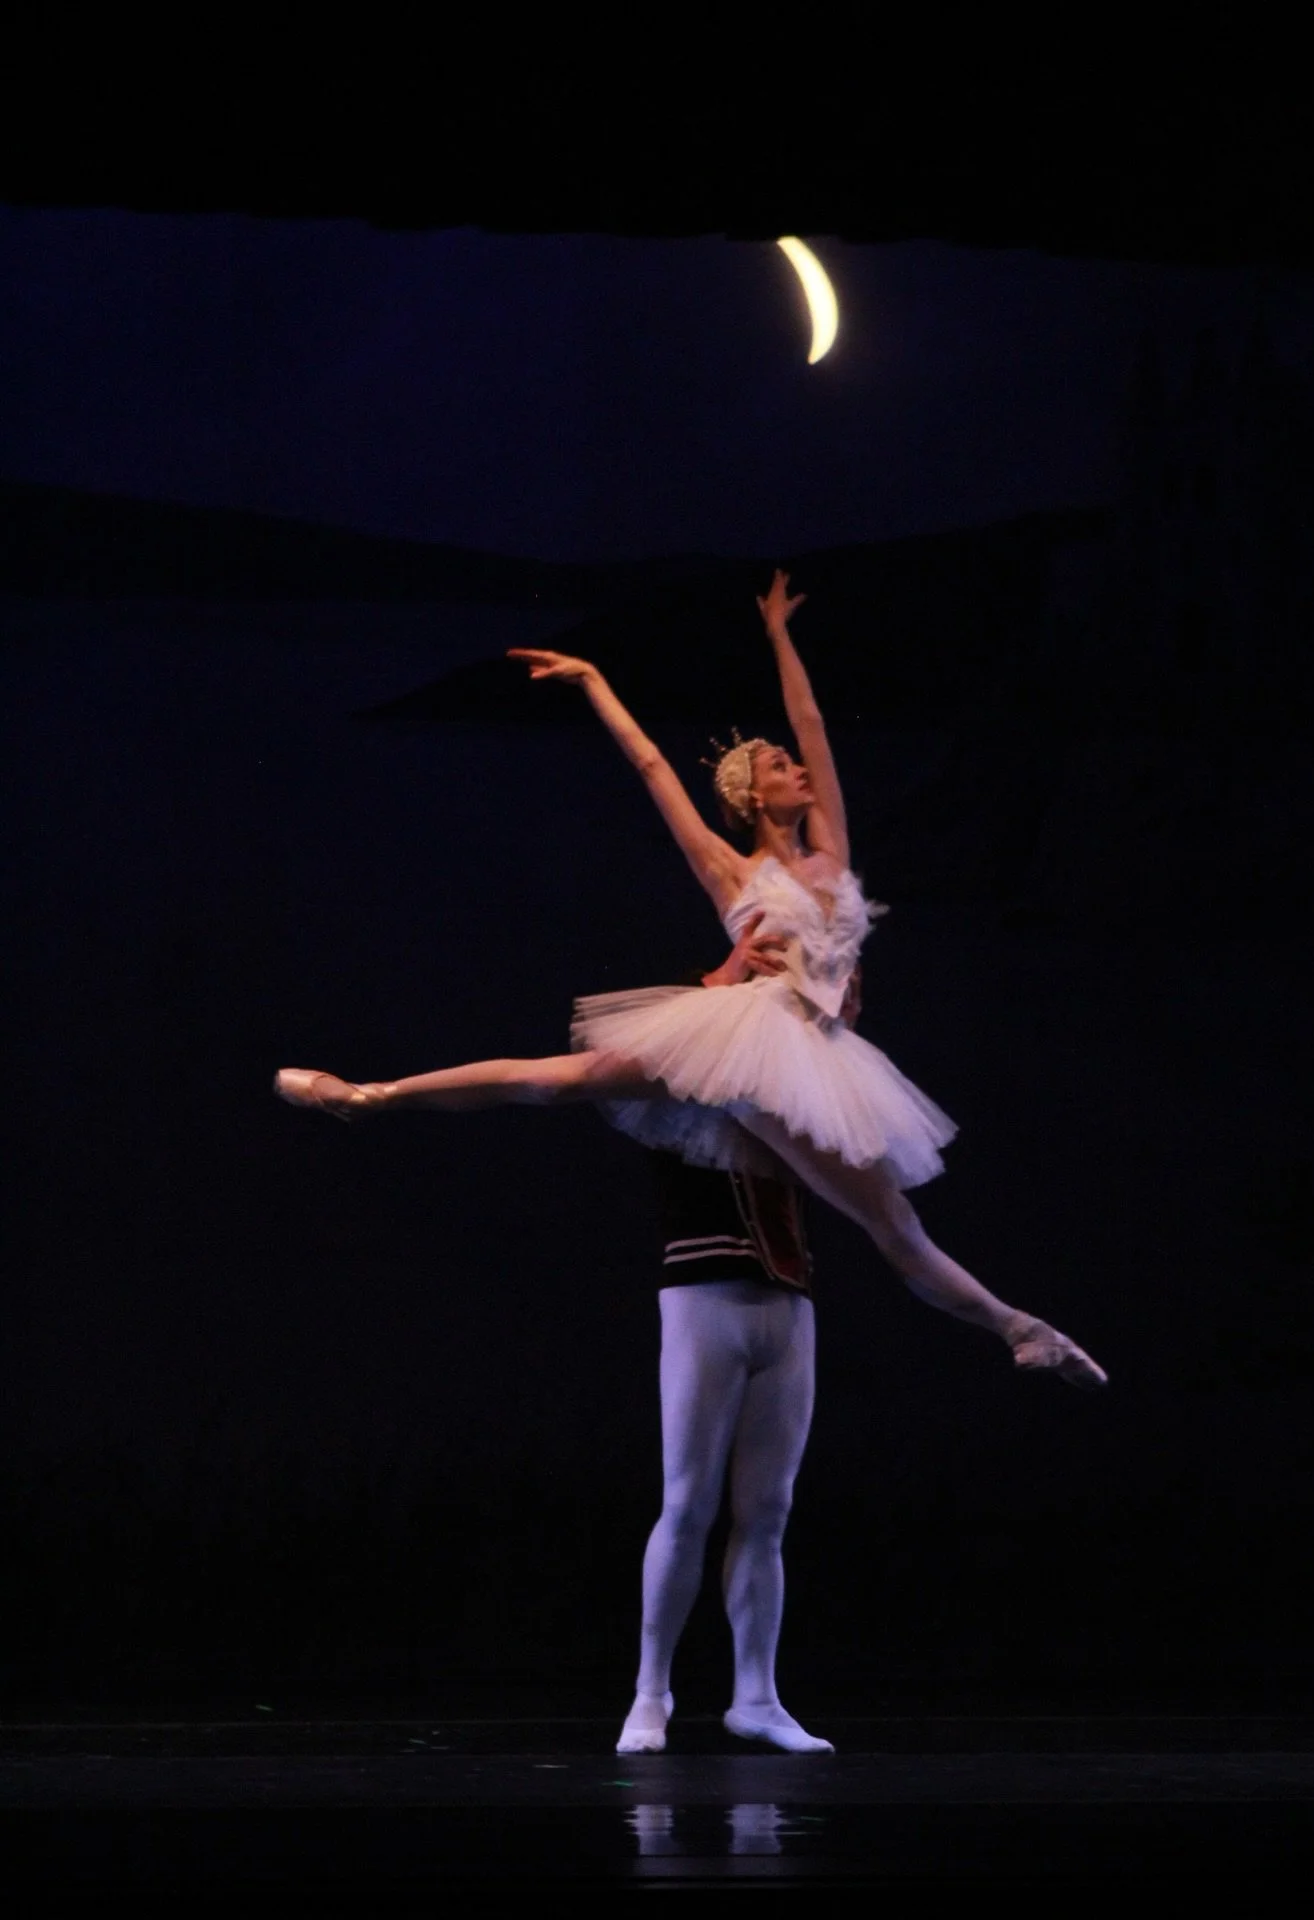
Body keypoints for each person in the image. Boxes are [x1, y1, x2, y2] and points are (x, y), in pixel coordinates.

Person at [276, 570, 1105, 1389]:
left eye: (794, 761)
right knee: (555, 1080)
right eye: (781, 765)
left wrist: (779, 636)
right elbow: (649, 768)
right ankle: (366, 1097)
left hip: (822, 1058)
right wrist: (595, 681)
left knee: (892, 1223)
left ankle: (1022, 1331)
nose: (800, 769)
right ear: (751, 794)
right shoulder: (729, 871)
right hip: (748, 1031)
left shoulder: (832, 855)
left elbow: (811, 722)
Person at [619, 915, 836, 1757]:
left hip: (787, 1298)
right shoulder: (686, 1030)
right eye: (772, 944)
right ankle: (650, 1692)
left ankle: (757, 1696)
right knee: (688, 1501)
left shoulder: (793, 1053)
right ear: (743, 940)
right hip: (704, 1288)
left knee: (768, 1508)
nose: (785, 963)